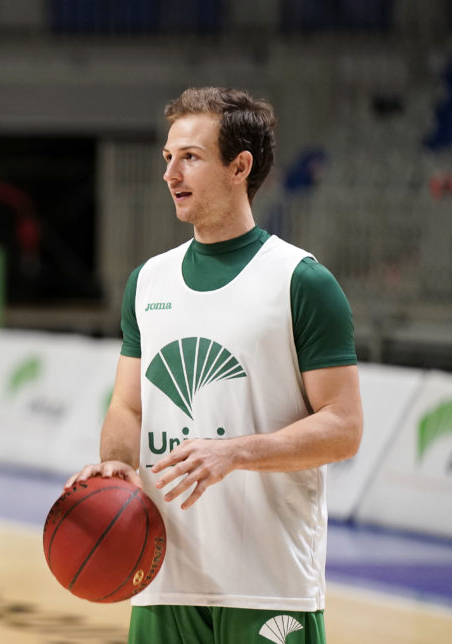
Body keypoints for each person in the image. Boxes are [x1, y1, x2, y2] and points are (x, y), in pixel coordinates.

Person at [66, 87, 363, 643]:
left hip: (268, 586)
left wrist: (234, 452)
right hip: (161, 578)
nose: (170, 173)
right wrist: (117, 466)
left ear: (239, 167)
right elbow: (128, 405)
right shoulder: (147, 281)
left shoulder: (302, 281)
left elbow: (343, 428)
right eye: (167, 158)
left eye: (191, 157)